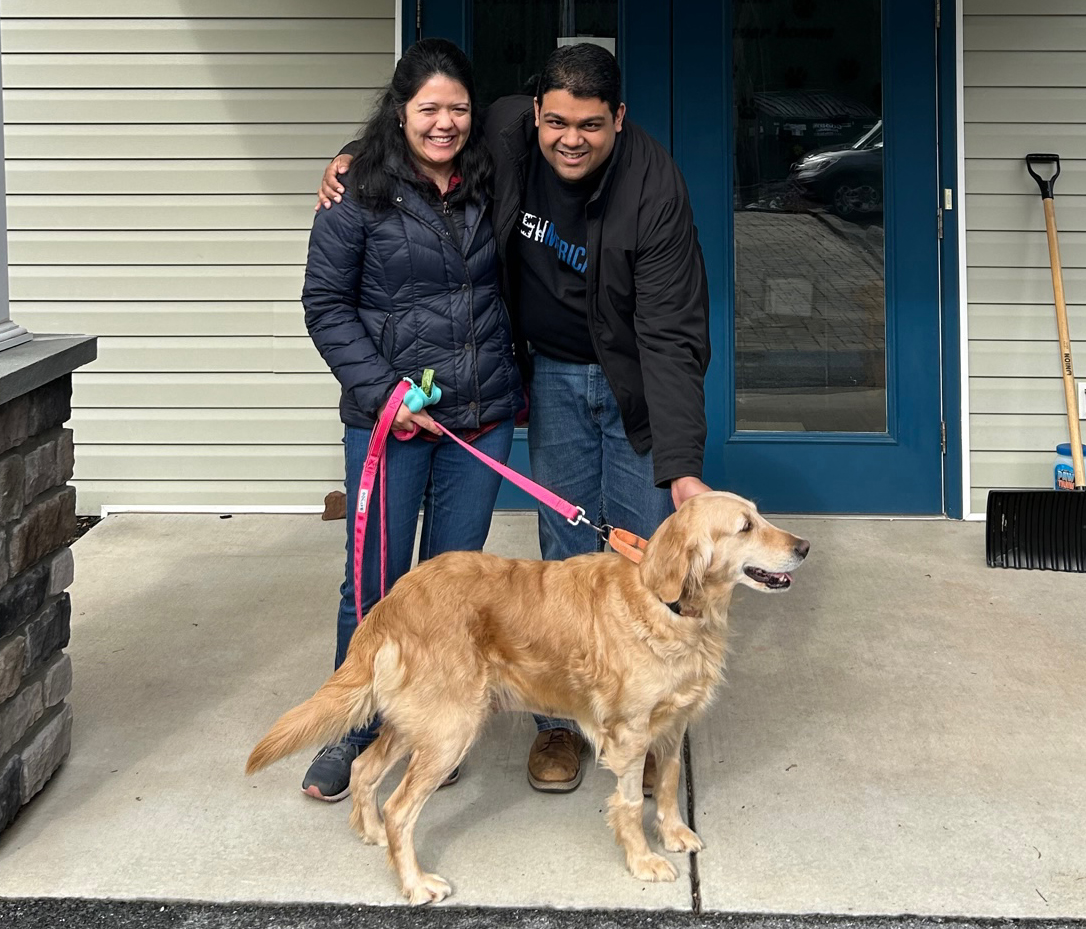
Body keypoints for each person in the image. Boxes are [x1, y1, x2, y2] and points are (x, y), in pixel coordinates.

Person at [317, 43, 711, 795]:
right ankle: (550, 723)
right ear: (533, 114)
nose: (571, 138)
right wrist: (350, 157)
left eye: (590, 125)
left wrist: (682, 466)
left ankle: (645, 727)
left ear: (619, 119)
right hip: (540, 378)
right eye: (556, 121)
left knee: (644, 561)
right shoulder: (496, 136)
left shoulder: (653, 186)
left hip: (627, 380)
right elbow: (418, 132)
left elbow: (672, 333)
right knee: (558, 564)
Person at [299, 38, 523, 801]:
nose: (444, 123)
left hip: (479, 418)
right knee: (373, 585)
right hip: (388, 423)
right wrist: (384, 393)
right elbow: (325, 306)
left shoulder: (491, 178)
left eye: (458, 108)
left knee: (451, 585)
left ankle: (430, 727)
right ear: (400, 111)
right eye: (429, 108)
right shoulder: (356, 191)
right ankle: (355, 727)